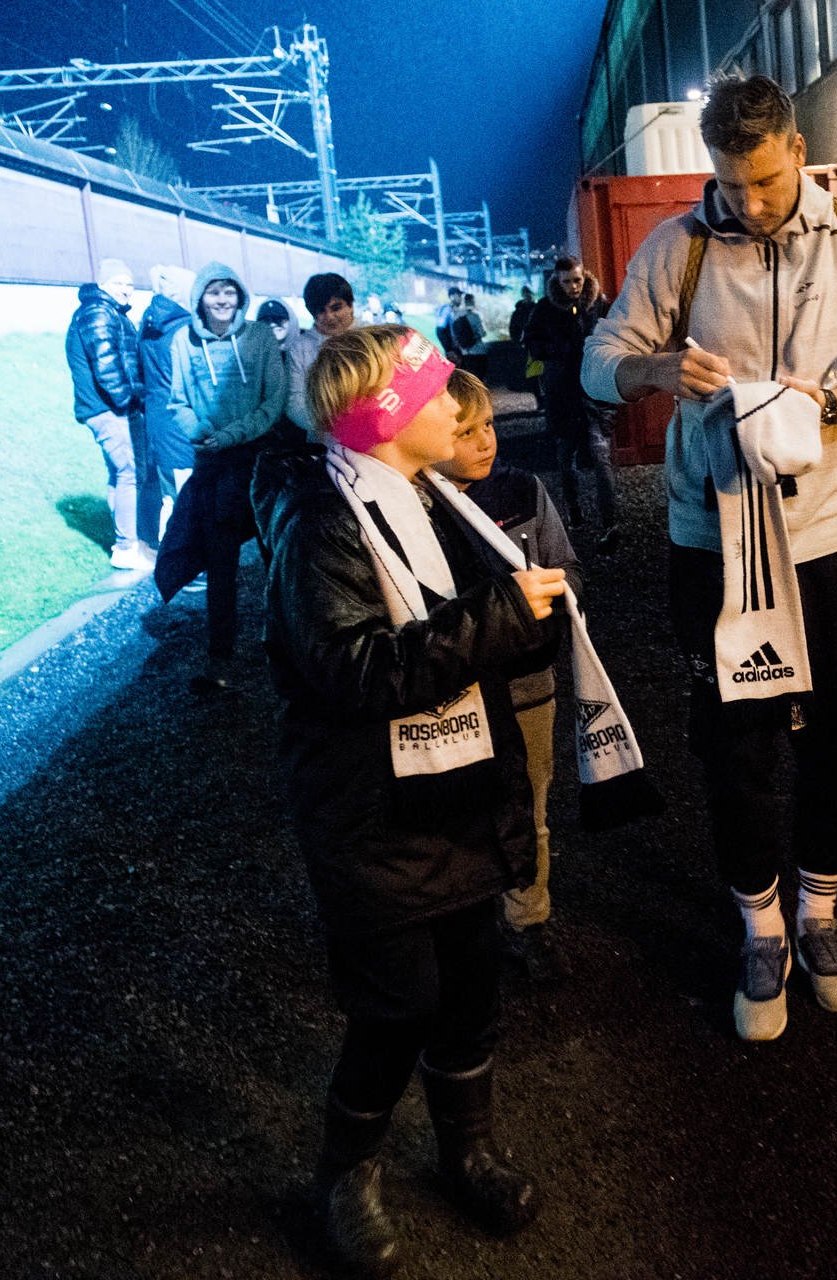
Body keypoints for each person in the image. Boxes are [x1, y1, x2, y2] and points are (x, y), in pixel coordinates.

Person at [583, 74, 837, 1041]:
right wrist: (654, 369)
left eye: (769, 182)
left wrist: (830, 404)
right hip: (714, 537)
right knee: (734, 746)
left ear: (796, 148)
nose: (755, 204)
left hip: (829, 534)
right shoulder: (677, 248)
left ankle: (820, 913)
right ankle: (760, 926)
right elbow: (596, 358)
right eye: (735, 187)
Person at [252, 325, 565, 1276]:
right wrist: (502, 617)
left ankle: (465, 1147)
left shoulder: (439, 503)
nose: (457, 404)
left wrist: (533, 621)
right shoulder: (322, 526)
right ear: (388, 421)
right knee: (398, 1005)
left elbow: (481, 632)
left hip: (459, 791)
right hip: (373, 817)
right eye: (437, 393)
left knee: (471, 984)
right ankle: (345, 1174)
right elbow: (355, 672)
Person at [432, 369, 582, 983]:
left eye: (489, 425)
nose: (485, 441)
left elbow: (566, 567)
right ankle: (468, 924)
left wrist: (547, 618)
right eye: (464, 431)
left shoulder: (523, 489)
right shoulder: (421, 510)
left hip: (527, 684)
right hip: (459, 694)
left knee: (532, 803)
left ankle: (528, 920)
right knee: (462, 809)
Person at [159, 261, 288, 691]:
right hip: (213, 465)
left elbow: (275, 399)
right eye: (213, 292)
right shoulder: (182, 340)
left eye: (229, 291)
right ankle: (221, 658)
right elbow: (176, 401)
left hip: (260, 461)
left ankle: (286, 648)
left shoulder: (259, 337)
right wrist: (201, 433)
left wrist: (234, 433)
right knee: (220, 565)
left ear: (240, 296)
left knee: (277, 560)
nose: (222, 300)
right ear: (200, 297)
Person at [523, 257, 615, 549]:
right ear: (557, 282)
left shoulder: (599, 304)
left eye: (577, 280)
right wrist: (558, 350)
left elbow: (617, 337)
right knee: (566, 459)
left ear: (584, 276)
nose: (574, 287)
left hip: (593, 393)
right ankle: (574, 512)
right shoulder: (545, 309)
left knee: (602, 458)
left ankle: (610, 521)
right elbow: (531, 343)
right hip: (562, 393)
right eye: (567, 281)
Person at [63, 258, 146, 570]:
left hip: (102, 408)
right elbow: (107, 366)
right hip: (108, 409)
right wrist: (127, 401)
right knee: (129, 473)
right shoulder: (99, 312)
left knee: (118, 473)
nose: (125, 289)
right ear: (102, 284)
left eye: (129, 283)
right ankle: (126, 548)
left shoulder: (105, 311)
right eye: (117, 283)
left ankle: (123, 540)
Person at [137, 264, 196, 550]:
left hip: (159, 421)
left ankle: (176, 557)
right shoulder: (183, 329)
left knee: (173, 494)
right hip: (180, 425)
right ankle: (182, 563)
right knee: (186, 495)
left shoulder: (149, 324)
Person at [285, 272, 357, 442]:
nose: (329, 317)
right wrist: (332, 428)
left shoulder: (373, 337)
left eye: (336, 307)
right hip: (326, 443)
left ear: (351, 305)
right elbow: (295, 401)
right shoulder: (299, 348)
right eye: (320, 311)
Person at [509, 286, 544, 411]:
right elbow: (513, 329)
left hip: (535, 346)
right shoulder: (533, 309)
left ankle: (542, 400)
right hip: (530, 347)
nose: (528, 296)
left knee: (537, 375)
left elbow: (513, 329)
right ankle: (540, 400)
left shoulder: (531, 310)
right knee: (534, 375)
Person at [452, 293, 488, 378]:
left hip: (464, 351)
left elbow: (455, 333)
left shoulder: (456, 316)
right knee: (480, 374)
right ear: (472, 301)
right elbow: (482, 333)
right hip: (478, 350)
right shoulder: (475, 316)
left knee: (469, 375)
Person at [435, 286, 462, 356]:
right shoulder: (447, 310)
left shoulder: (455, 310)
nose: (460, 298)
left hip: (459, 348)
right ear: (452, 296)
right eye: (458, 295)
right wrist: (449, 350)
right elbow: (440, 330)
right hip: (453, 350)